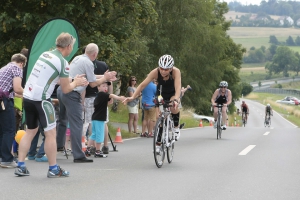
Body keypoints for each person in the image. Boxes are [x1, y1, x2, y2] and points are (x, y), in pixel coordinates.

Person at [15, 32, 89, 177]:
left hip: (28, 97)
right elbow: (66, 88)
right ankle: (53, 168)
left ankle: (21, 165)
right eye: (72, 47)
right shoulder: (63, 63)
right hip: (42, 100)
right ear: (68, 46)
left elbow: (55, 77)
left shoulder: (45, 54)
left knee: (30, 132)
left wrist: (73, 78)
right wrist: (77, 83)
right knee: (51, 134)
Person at [56, 43, 117, 163]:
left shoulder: (78, 58)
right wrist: (105, 79)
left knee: (62, 120)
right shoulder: (89, 63)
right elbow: (93, 83)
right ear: (95, 54)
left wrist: (105, 76)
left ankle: (57, 145)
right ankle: (78, 155)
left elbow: (90, 76)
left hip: (61, 89)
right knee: (77, 124)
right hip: (72, 93)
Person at [123, 54, 182, 142]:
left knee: (173, 106)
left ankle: (176, 127)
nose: (163, 71)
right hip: (161, 93)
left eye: (166, 69)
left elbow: (178, 88)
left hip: (173, 93)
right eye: (161, 68)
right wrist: (132, 97)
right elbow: (142, 85)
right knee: (161, 114)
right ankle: (160, 138)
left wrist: (176, 99)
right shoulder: (155, 72)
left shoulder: (176, 71)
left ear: (171, 68)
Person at [82, 51, 112, 154]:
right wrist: (110, 95)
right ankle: (105, 146)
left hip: (89, 97)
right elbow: (110, 80)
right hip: (103, 96)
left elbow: (85, 83)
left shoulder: (85, 64)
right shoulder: (103, 65)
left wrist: (82, 100)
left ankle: (93, 147)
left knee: (92, 122)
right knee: (104, 121)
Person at [85, 82, 125, 157]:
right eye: (103, 86)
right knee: (100, 135)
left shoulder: (98, 95)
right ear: (98, 87)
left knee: (93, 134)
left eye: (106, 86)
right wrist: (119, 98)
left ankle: (87, 149)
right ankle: (97, 151)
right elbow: (111, 95)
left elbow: (109, 100)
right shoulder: (102, 94)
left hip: (94, 118)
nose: (105, 88)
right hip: (99, 119)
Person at [0, 53, 26, 168]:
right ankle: (6, 159)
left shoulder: (4, 68)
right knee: (9, 130)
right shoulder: (17, 68)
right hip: (5, 101)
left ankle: (2, 157)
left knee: (1, 131)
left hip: (1, 99)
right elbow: (17, 88)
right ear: (22, 63)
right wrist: (28, 93)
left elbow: (11, 90)